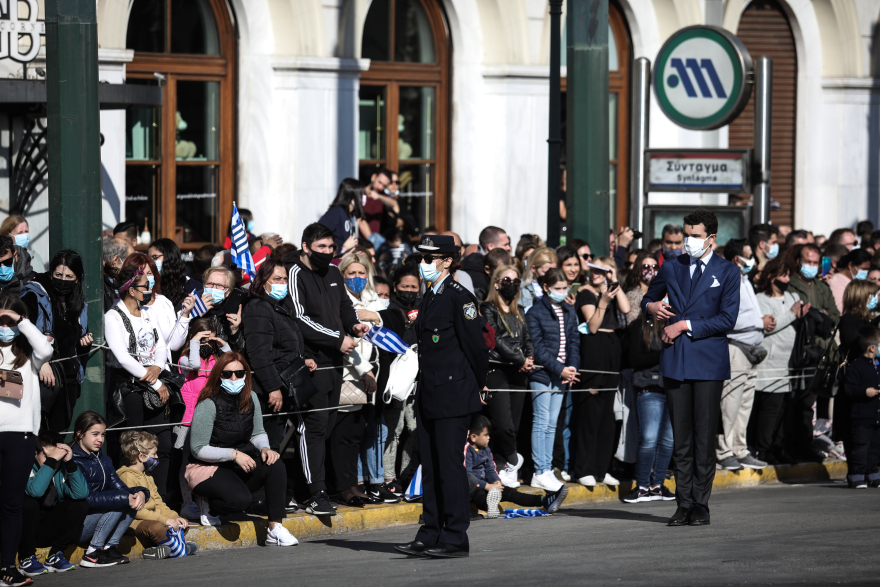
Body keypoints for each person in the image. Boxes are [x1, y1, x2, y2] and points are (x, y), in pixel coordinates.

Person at [641, 209, 741, 527]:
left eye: (695, 235)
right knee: (680, 438)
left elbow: (727, 319)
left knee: (702, 437)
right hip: (675, 361)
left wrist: (684, 324)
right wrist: (651, 306)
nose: (689, 241)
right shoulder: (672, 267)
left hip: (708, 363)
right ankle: (682, 503)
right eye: (687, 234)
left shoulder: (727, 272)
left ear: (711, 238)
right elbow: (649, 298)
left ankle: (701, 503)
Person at [394, 234, 488, 559]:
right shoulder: (430, 295)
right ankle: (429, 532)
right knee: (431, 467)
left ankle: (455, 536)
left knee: (450, 467)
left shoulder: (459, 297)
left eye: (430, 258)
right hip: (429, 393)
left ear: (447, 260)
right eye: (421, 257)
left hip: (453, 393)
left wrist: (480, 384)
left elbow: (476, 347)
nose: (424, 264)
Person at [284, 223, 369, 516]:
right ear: (306, 246)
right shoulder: (294, 273)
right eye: (321, 247)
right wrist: (337, 338)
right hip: (311, 364)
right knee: (313, 429)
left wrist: (354, 325)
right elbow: (300, 318)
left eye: (331, 248)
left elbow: (345, 308)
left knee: (327, 428)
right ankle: (314, 493)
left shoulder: (333, 272)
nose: (327, 253)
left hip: (336, 364)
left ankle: (311, 487)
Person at [186, 353, 298, 546]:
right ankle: (208, 504)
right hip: (207, 468)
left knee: (275, 464)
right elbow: (198, 449)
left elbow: (257, 432)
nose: (234, 378)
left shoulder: (251, 397)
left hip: (238, 463)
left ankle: (275, 528)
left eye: (239, 373)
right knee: (239, 502)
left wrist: (264, 448)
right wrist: (234, 454)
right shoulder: (208, 404)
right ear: (218, 375)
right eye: (227, 374)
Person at [104, 265, 173, 495]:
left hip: (155, 380)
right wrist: (154, 381)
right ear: (131, 291)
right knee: (136, 447)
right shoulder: (113, 317)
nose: (149, 289)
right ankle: (135, 496)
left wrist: (157, 366)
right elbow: (122, 357)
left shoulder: (147, 313)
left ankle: (160, 496)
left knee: (162, 445)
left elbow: (161, 344)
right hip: (130, 387)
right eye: (145, 285)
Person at [0, 295, 52, 586]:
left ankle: (8, 566)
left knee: (11, 504)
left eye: (12, 321)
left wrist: (21, 320)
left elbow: (45, 347)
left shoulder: (31, 352)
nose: (5, 326)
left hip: (20, 435)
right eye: (1, 321)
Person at [335, 252, 395, 506]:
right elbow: (348, 341)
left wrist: (374, 315)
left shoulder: (373, 299)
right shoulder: (340, 300)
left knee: (362, 431)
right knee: (346, 433)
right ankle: (348, 485)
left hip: (375, 374)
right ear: (343, 275)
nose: (357, 278)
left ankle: (357, 484)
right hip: (351, 374)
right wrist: (365, 370)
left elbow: (391, 319)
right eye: (351, 273)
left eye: (362, 273)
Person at [242, 258, 312, 451]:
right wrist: (273, 388)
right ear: (263, 281)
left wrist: (302, 359)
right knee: (264, 447)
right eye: (277, 279)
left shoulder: (278, 306)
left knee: (274, 445)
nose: (282, 284)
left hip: (283, 386)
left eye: (284, 279)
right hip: (267, 392)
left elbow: (284, 346)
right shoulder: (259, 307)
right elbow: (259, 354)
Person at [20, 250, 93, 433]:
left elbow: (76, 338)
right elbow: (22, 334)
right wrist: (41, 361)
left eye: (69, 276)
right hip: (41, 377)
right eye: (58, 274)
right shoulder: (33, 295)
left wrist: (85, 342)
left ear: (77, 278)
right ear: (51, 273)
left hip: (69, 379)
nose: (62, 279)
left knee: (59, 435)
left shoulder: (80, 302)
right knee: (39, 435)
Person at [572, 256, 629, 487]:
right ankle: (583, 467)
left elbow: (626, 308)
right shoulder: (585, 292)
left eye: (601, 270)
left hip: (612, 348)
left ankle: (601, 469)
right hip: (595, 348)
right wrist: (603, 300)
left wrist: (615, 283)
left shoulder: (612, 289)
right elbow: (592, 326)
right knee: (591, 411)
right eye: (593, 269)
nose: (595, 273)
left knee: (607, 414)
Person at [715, 239, 771, 472]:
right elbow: (728, 318)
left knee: (744, 404)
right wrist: (759, 322)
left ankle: (739, 448)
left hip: (751, 352)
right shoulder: (727, 280)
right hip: (735, 348)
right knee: (729, 403)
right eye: (750, 256)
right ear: (737, 259)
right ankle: (723, 450)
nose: (754, 261)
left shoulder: (745, 279)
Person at [72, 411, 149, 568]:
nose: (100, 439)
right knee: (119, 501)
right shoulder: (72, 460)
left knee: (131, 502)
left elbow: (121, 488)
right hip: (78, 525)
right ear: (80, 434)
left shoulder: (104, 459)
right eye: (95, 434)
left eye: (103, 435)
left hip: (99, 522)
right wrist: (123, 498)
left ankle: (109, 548)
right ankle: (92, 554)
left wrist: (141, 492)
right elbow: (86, 498)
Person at [525, 268, 579, 492]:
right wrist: (560, 369)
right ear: (546, 287)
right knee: (541, 420)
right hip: (542, 373)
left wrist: (572, 366)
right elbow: (537, 348)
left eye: (564, 287)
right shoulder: (535, 312)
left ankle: (547, 469)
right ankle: (540, 471)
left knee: (552, 423)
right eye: (557, 288)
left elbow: (574, 340)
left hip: (562, 374)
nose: (562, 291)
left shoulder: (569, 311)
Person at [480, 265, 534, 487]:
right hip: (496, 369)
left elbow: (528, 339)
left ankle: (504, 468)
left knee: (515, 424)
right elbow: (495, 340)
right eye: (506, 280)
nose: (511, 285)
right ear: (496, 283)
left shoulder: (520, 310)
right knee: (503, 425)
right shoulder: (487, 308)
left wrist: (528, 359)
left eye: (515, 281)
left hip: (518, 372)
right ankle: (514, 458)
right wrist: (519, 359)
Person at [751, 258, 808, 464]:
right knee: (770, 410)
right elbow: (770, 326)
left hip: (791, 362)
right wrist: (793, 314)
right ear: (770, 276)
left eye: (788, 275)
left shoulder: (793, 295)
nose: (786, 279)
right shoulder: (760, 299)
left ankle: (779, 446)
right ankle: (763, 449)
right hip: (771, 363)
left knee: (786, 410)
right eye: (782, 275)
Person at [465, 415, 567, 518]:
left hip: (489, 486)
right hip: (474, 489)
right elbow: (467, 476)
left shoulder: (485, 449)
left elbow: (491, 468)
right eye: (486, 435)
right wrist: (486, 486)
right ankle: (491, 508)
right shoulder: (467, 450)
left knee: (511, 492)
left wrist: (496, 481)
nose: (489, 438)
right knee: (479, 496)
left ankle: (544, 500)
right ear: (473, 437)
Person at [117, 431, 197, 559]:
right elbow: (137, 512)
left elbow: (159, 503)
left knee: (182, 523)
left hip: (153, 518)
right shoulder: (126, 476)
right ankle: (178, 549)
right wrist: (165, 520)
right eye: (153, 454)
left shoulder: (147, 476)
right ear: (141, 457)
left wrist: (174, 517)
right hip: (135, 522)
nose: (156, 457)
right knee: (158, 527)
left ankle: (163, 548)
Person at [17, 432, 87, 577]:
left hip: (47, 529)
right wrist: (51, 461)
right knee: (29, 503)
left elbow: (80, 494)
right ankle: (26, 559)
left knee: (80, 504)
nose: (55, 462)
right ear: (35, 453)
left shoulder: (60, 468)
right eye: (48, 457)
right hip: (24, 533)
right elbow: (35, 491)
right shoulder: (24, 466)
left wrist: (69, 462)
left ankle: (55, 556)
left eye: (57, 458)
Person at [622, 317, 676, 504]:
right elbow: (634, 359)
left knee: (668, 440)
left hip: (675, 387)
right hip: (650, 386)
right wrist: (664, 354)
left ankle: (658, 485)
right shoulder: (641, 324)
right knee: (648, 438)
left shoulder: (678, 321)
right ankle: (643, 486)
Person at [380, 265, 420, 494]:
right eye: (405, 286)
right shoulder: (390, 309)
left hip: (418, 381)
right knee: (394, 429)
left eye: (414, 287)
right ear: (395, 287)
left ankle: (407, 475)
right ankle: (388, 478)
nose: (409, 291)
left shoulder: (424, 308)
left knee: (414, 428)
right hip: (396, 380)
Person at [123, 253, 195, 364]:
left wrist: (184, 315)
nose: (146, 278)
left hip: (161, 371)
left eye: (149, 273)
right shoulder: (121, 306)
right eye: (141, 274)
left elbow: (174, 345)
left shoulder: (163, 302)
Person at [841, 328, 880, 488]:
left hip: (875, 417)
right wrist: (865, 391)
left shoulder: (877, 366)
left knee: (875, 448)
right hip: (861, 417)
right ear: (872, 347)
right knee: (861, 448)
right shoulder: (857, 366)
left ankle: (873, 474)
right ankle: (856, 475)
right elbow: (849, 388)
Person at [148, 238, 200, 311]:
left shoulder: (193, 287)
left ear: (169, 257)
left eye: (155, 257)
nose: (150, 262)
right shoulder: (148, 286)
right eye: (148, 259)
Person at [201, 266, 245, 353]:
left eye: (220, 285)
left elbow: (240, 351)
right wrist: (197, 314)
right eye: (210, 283)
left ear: (228, 291)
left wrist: (234, 330)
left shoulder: (235, 312)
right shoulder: (192, 306)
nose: (214, 288)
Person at [461, 226, 511, 298]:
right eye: (505, 245)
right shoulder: (477, 273)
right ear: (490, 246)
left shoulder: (473, 265)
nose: (508, 248)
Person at [319, 178, 363, 256]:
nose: (362, 199)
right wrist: (344, 248)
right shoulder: (336, 212)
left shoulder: (347, 215)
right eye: (360, 196)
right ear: (351, 197)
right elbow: (318, 237)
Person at [828, 248, 873, 314]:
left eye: (867, 270)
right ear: (850, 265)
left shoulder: (851, 282)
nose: (865, 272)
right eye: (863, 269)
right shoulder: (837, 282)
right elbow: (839, 311)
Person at [623, 251, 658, 324]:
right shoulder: (633, 295)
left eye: (655, 267)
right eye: (646, 266)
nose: (651, 270)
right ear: (638, 268)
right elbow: (632, 323)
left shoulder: (659, 292)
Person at [519, 247, 558, 311]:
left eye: (554, 272)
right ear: (533, 268)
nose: (550, 276)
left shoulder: (560, 288)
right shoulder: (522, 289)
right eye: (545, 272)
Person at [102, 237, 133, 311]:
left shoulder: (113, 281)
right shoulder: (98, 285)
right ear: (115, 260)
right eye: (130, 263)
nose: (133, 267)